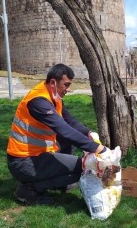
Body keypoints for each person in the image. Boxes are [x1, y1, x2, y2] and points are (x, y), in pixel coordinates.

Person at [6, 64, 108, 205]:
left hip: (36, 154)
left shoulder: (52, 96)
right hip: (23, 162)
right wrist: (98, 149)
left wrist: (89, 133)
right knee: (84, 167)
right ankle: (29, 190)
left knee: (71, 147)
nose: (68, 89)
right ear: (53, 82)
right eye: (66, 85)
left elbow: (70, 121)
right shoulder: (39, 102)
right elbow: (64, 130)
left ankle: (59, 182)